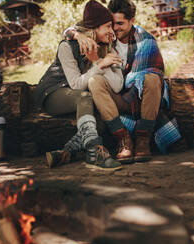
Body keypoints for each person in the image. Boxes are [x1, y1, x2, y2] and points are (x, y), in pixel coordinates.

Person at [66, 0, 180, 164]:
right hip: (117, 96)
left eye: (120, 23)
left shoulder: (145, 40)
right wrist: (78, 35)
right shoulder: (107, 38)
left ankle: (143, 138)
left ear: (132, 20)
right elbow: (71, 30)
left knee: (152, 78)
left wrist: (121, 72)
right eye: (112, 24)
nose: (115, 28)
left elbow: (152, 74)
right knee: (94, 81)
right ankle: (123, 139)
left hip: (142, 97)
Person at [33, 0, 123, 170]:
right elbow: (76, 85)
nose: (112, 31)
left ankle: (66, 153)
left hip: (80, 96)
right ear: (94, 29)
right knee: (85, 97)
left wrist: (99, 60)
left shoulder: (108, 48)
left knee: (100, 121)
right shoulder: (67, 46)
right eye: (107, 26)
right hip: (54, 92)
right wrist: (100, 65)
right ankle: (94, 152)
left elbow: (117, 86)